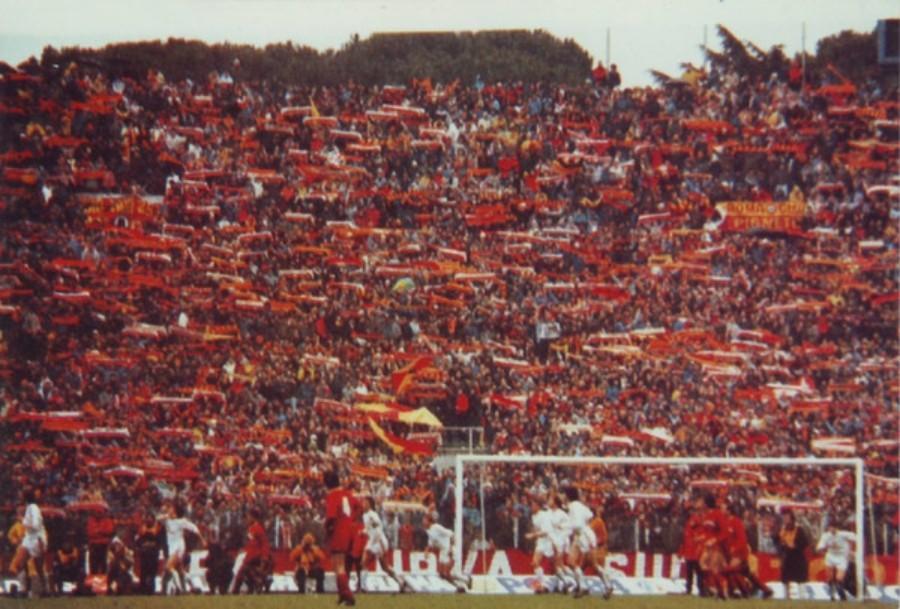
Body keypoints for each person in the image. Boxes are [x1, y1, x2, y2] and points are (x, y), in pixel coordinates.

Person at [324, 469, 360, 605]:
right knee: (339, 564)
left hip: (338, 531)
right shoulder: (347, 494)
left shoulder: (333, 495)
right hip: (349, 530)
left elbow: (331, 516)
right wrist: (351, 519)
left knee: (338, 565)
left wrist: (327, 529)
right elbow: (359, 506)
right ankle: (342, 594)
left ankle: (347, 594)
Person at [361, 496, 408, 592]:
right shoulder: (365, 515)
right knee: (385, 567)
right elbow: (370, 529)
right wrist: (363, 532)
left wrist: (376, 543)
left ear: (369, 504)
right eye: (363, 502)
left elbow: (378, 528)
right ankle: (400, 582)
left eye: (365, 502)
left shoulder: (372, 515)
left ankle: (363, 587)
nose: (363, 504)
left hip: (378, 541)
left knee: (364, 562)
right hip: (375, 541)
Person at [159, 501, 204, 594]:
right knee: (180, 570)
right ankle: (194, 587)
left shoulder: (181, 521)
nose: (169, 509)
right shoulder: (167, 520)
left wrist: (202, 539)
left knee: (169, 567)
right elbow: (158, 518)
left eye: (171, 508)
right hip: (171, 548)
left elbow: (194, 528)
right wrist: (167, 515)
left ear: (175, 510)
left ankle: (180, 590)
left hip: (179, 547)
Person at [9, 491, 48, 597]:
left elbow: (36, 526)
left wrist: (23, 521)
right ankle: (24, 589)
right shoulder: (28, 509)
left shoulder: (34, 508)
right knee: (19, 565)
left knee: (38, 567)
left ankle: (43, 590)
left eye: (21, 496)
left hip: (36, 539)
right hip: (29, 539)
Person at [423, 512, 471, 593]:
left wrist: (451, 548)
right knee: (443, 575)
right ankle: (461, 584)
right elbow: (430, 544)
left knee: (446, 573)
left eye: (424, 520)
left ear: (429, 521)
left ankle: (465, 581)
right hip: (443, 552)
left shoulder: (436, 527)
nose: (423, 522)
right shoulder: (429, 531)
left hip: (449, 550)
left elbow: (451, 534)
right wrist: (426, 552)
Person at [229, 508, 271, 593]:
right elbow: (252, 543)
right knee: (245, 574)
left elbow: (264, 543)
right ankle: (257, 583)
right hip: (251, 555)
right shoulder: (252, 528)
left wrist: (264, 557)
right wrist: (244, 549)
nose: (247, 519)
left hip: (254, 556)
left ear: (253, 517)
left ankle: (235, 591)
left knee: (241, 573)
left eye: (248, 516)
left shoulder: (258, 528)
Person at [698, 494, 729, 600]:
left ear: (706, 503)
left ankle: (721, 591)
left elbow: (725, 532)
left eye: (702, 502)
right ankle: (715, 589)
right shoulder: (706, 515)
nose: (701, 504)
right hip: (708, 547)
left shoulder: (718, 514)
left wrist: (715, 540)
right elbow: (706, 532)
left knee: (715, 569)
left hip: (717, 546)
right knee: (702, 564)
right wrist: (701, 538)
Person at [525, 494, 556, 593]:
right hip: (540, 541)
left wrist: (532, 535)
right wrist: (534, 534)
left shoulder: (544, 515)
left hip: (547, 541)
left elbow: (546, 531)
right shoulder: (534, 516)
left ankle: (545, 585)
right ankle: (543, 586)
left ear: (538, 506)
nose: (531, 507)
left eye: (533, 505)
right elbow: (537, 530)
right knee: (535, 563)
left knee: (555, 566)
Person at [775, 511, 809, 600]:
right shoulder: (782, 530)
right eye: (784, 517)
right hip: (786, 557)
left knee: (800, 578)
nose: (785, 519)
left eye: (787, 517)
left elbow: (805, 543)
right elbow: (777, 541)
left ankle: (802, 598)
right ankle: (786, 597)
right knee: (785, 578)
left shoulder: (799, 529)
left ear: (792, 519)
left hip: (798, 557)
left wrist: (796, 545)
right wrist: (781, 546)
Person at [817, 522, 851, 601]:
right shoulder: (826, 536)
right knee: (830, 578)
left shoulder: (844, 534)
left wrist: (852, 549)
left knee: (839, 579)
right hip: (830, 557)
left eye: (833, 527)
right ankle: (832, 596)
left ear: (836, 528)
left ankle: (842, 595)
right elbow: (819, 547)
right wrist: (822, 548)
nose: (831, 529)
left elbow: (856, 538)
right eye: (830, 527)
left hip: (842, 557)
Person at [679, 496, 706, 596]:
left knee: (698, 571)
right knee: (690, 571)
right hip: (690, 550)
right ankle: (690, 589)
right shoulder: (689, 521)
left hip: (696, 549)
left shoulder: (698, 519)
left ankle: (701, 589)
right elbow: (686, 538)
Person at [589, 499, 614, 599]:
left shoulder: (597, 522)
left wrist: (596, 544)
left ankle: (608, 585)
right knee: (595, 568)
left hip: (599, 548)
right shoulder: (595, 521)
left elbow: (604, 537)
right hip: (595, 547)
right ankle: (607, 586)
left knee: (597, 567)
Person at [135, 512, 162, 595]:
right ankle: (142, 590)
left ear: (153, 520)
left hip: (153, 556)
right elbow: (138, 541)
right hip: (144, 555)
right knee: (143, 574)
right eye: (147, 518)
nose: (149, 520)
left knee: (152, 574)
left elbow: (156, 535)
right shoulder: (141, 530)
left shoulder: (157, 530)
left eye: (150, 518)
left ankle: (151, 591)